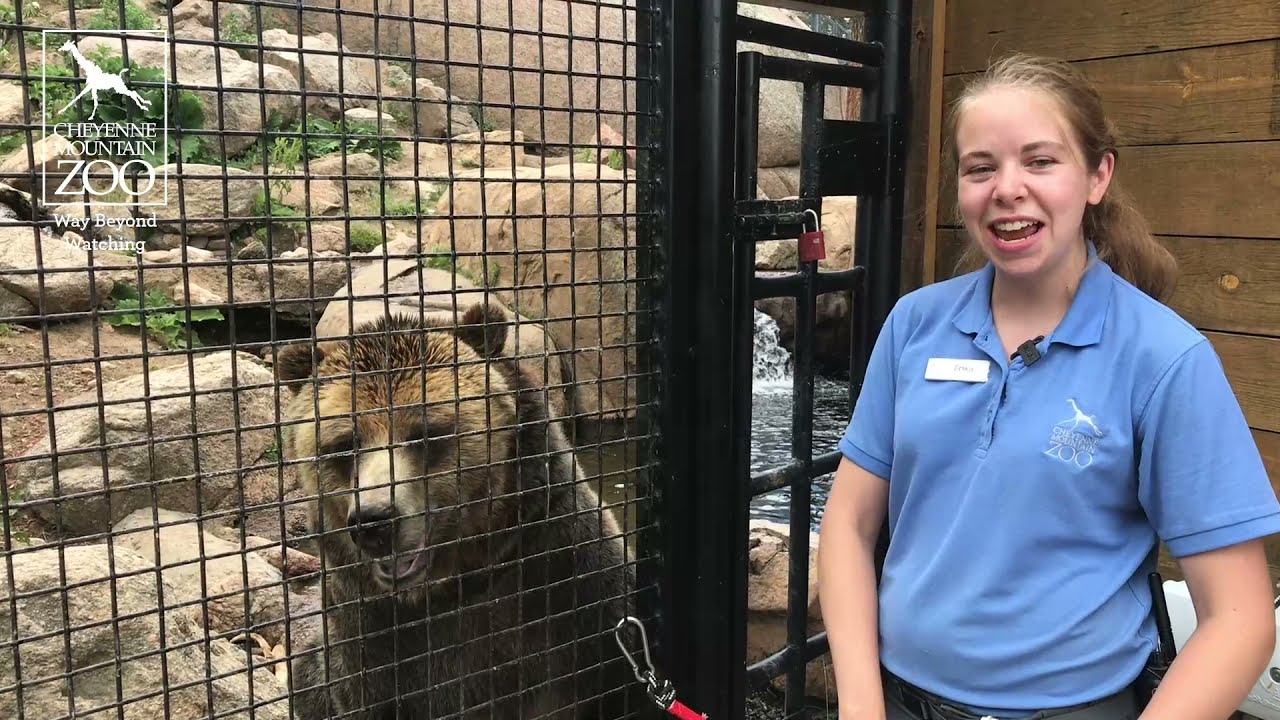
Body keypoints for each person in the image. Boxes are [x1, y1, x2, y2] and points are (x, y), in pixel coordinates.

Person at [817, 52, 1280, 720]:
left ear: (1098, 176)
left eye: (1040, 161)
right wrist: (860, 705)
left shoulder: (1165, 359)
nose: (1008, 188)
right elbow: (849, 524)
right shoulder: (915, 324)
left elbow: (1239, 620)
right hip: (899, 699)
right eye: (981, 167)